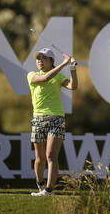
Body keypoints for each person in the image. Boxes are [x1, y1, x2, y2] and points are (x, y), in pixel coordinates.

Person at [27, 48, 78, 196]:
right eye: (38, 59)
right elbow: (45, 79)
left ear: (51, 61)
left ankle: (49, 190)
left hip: (56, 117)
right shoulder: (32, 75)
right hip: (38, 118)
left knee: (51, 155)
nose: (40, 61)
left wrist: (72, 68)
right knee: (40, 157)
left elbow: (73, 86)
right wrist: (63, 64)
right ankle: (40, 183)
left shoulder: (59, 77)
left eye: (44, 58)